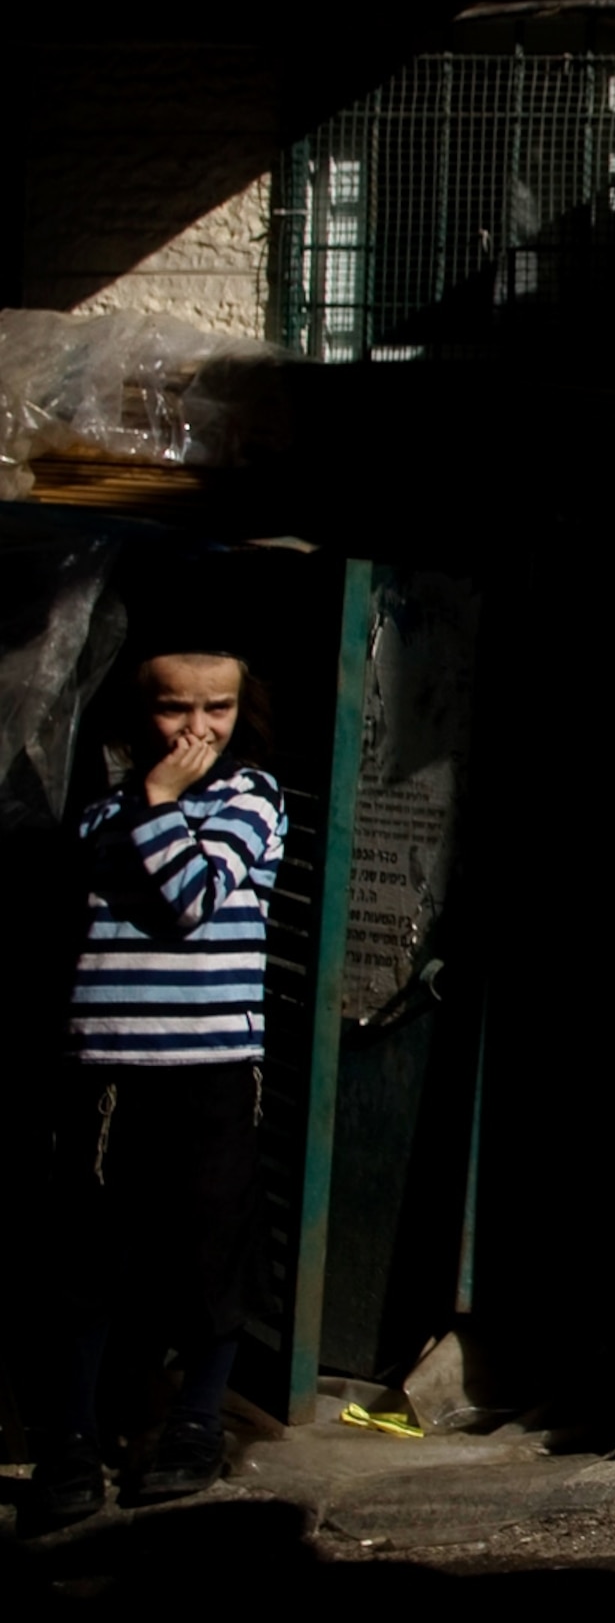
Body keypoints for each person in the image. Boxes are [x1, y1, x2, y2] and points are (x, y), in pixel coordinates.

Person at [30, 636, 286, 1524]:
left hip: (211, 1065)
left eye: (218, 707)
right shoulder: (103, 812)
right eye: (176, 706)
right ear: (141, 713)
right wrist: (153, 801)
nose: (196, 728)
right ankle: (69, 1442)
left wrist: (163, 801)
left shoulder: (252, 798)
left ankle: (195, 1424)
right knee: (86, 1257)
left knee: (212, 1251)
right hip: (108, 1066)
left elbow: (190, 897)